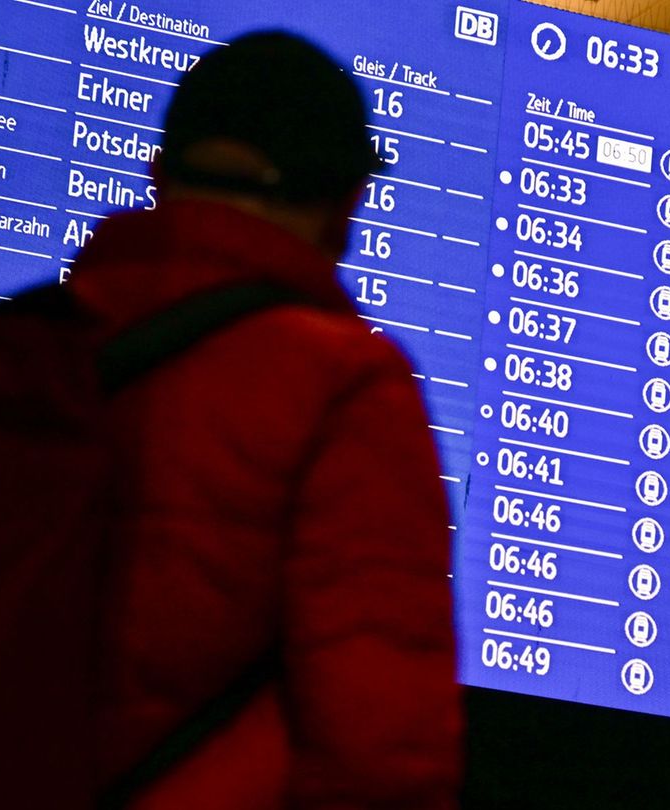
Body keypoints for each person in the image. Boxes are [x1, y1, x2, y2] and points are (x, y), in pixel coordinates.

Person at [67, 32, 463, 808]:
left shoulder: (15, 350)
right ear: (347, 206)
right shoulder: (345, 388)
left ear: (158, 176)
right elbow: (377, 745)